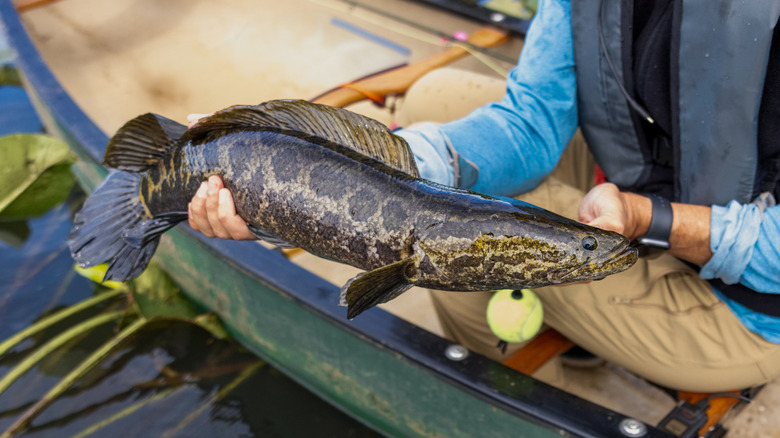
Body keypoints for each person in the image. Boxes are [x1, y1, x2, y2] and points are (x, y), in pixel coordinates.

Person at [187, 0, 780, 393]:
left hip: (749, 304)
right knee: (436, 98)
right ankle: (577, 339)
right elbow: (530, 122)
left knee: (470, 243)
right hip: (644, 176)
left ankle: (523, 388)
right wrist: (398, 164)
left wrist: (650, 218)